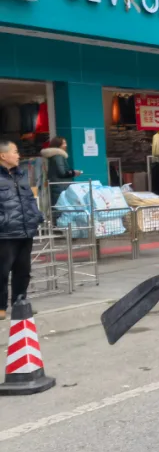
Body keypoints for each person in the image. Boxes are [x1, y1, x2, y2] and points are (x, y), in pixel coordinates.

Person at [0, 140, 44, 322]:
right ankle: (1, 307)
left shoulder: (21, 176)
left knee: (23, 270)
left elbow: (29, 199)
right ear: (3, 156)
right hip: (5, 233)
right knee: (2, 271)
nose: (18, 156)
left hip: (26, 230)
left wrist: (37, 216)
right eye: (15, 152)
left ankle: (20, 302)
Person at [41, 136, 81, 207]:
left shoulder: (53, 156)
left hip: (57, 186)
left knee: (59, 207)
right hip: (60, 187)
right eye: (64, 143)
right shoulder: (58, 156)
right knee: (62, 208)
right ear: (58, 145)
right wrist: (74, 173)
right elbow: (62, 173)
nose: (66, 145)